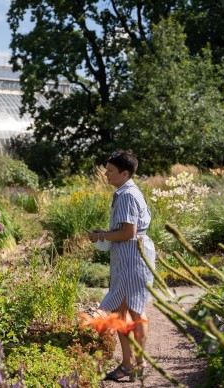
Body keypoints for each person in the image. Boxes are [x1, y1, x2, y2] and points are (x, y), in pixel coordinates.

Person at [87, 150, 156, 382]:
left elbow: (129, 232)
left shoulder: (127, 194)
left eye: (110, 171)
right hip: (130, 255)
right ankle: (131, 364)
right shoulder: (126, 191)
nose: (105, 174)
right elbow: (126, 230)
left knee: (133, 311)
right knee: (125, 311)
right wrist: (104, 235)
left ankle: (135, 363)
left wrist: (102, 236)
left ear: (125, 173)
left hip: (132, 256)